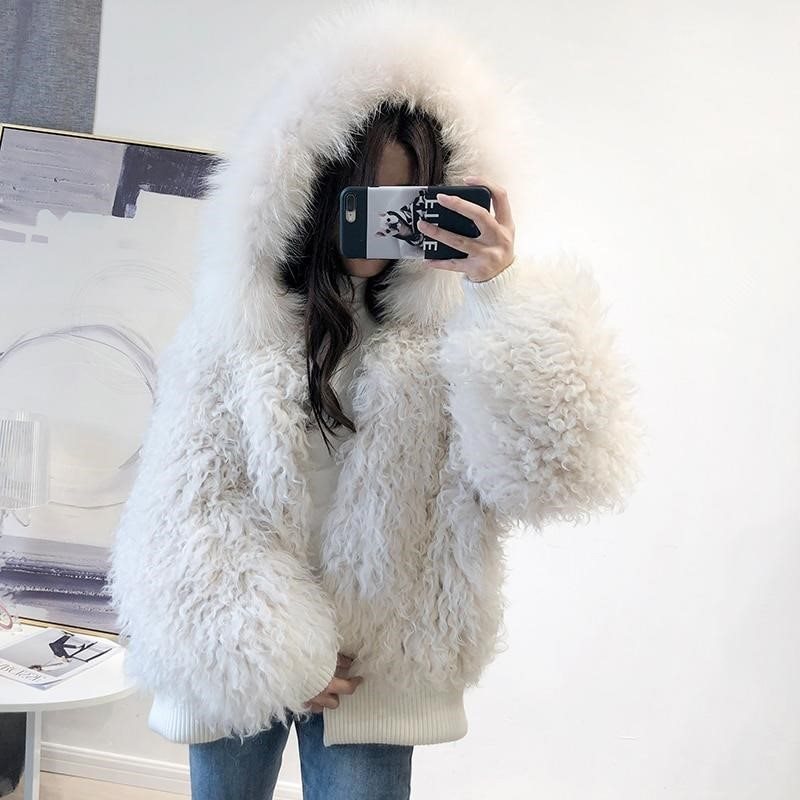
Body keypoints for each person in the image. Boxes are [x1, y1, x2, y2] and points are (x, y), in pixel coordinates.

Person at [108, 5, 643, 799]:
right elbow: (184, 506)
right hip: (237, 647)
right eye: (364, 198)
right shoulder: (240, 327)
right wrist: (273, 650)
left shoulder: (461, 337)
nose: (382, 223)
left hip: (380, 660)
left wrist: (502, 295)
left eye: (410, 201)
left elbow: (553, 475)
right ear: (314, 189)